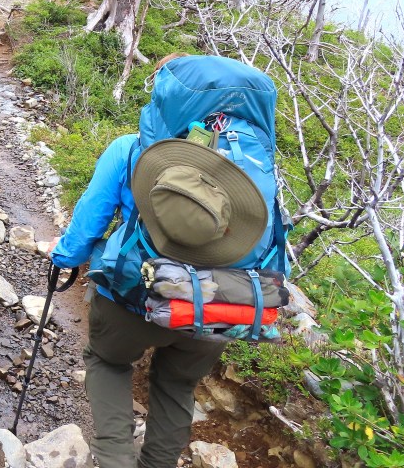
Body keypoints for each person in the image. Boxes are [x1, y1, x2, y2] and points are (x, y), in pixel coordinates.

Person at [48, 54, 273, 468]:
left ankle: (115, 461)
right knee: (177, 385)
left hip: (134, 295)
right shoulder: (256, 169)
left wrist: (64, 258)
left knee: (107, 362)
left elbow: (89, 223)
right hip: (217, 304)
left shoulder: (130, 149)